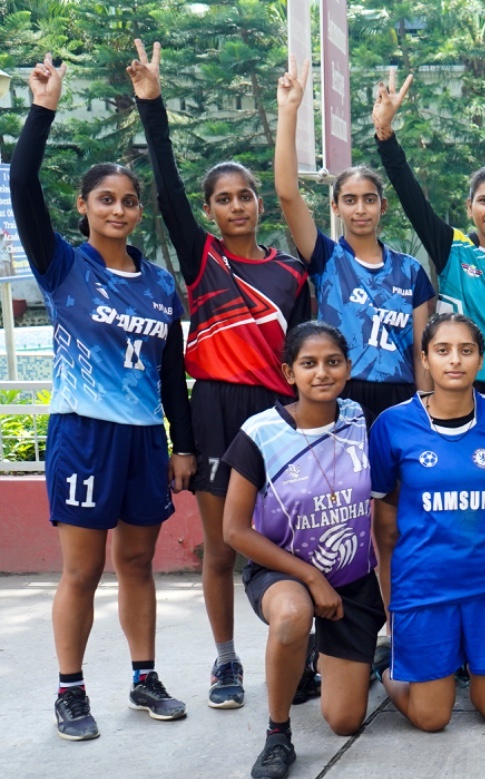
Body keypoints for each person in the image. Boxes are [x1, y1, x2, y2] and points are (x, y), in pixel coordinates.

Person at [13, 54, 194, 741]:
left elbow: (171, 375)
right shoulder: (63, 266)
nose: (118, 209)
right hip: (83, 433)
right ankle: (70, 689)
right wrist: (44, 109)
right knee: (83, 570)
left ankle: (145, 677)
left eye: (128, 201)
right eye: (105, 199)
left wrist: (183, 445)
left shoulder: (159, 285)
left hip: (144, 438)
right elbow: (23, 183)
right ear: (84, 207)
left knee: (138, 562)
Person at [131, 40, 313, 709]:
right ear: (210, 210)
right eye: (224, 199)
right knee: (220, 547)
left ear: (260, 202)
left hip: (276, 415)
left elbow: (308, 356)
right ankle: (227, 660)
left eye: (246, 196)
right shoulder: (200, 255)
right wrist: (153, 104)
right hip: (212, 410)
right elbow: (167, 184)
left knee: (289, 536)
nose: (237, 206)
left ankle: (302, 652)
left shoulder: (292, 271)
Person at [222, 322, 383, 779]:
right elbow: (234, 531)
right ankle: (278, 734)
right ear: (288, 373)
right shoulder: (260, 434)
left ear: (348, 368)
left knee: (345, 721)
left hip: (351, 581)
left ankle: (316, 659)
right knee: (294, 615)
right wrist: (312, 579)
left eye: (333, 362)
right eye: (308, 364)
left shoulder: (360, 420)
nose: (322, 373)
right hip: (283, 574)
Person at [368, 313, 485, 731]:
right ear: (424, 359)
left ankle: (465, 661)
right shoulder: (392, 423)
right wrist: (391, 607)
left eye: (466, 350)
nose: (454, 360)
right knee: (432, 718)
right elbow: (384, 526)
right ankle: (386, 666)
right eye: (442, 350)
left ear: (481, 359)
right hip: (424, 586)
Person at [372, 70, 485, 407]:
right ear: (470, 207)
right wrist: (385, 135)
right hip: (464, 391)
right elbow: (410, 195)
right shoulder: (453, 249)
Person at [272, 57, 435, 424]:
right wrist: (289, 111)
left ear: (383, 206)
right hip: (341, 393)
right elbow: (287, 193)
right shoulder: (326, 258)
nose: (360, 209)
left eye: (369, 199)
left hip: (399, 398)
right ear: (335, 207)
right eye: (349, 200)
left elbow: (420, 354)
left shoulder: (410, 271)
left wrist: (425, 411)